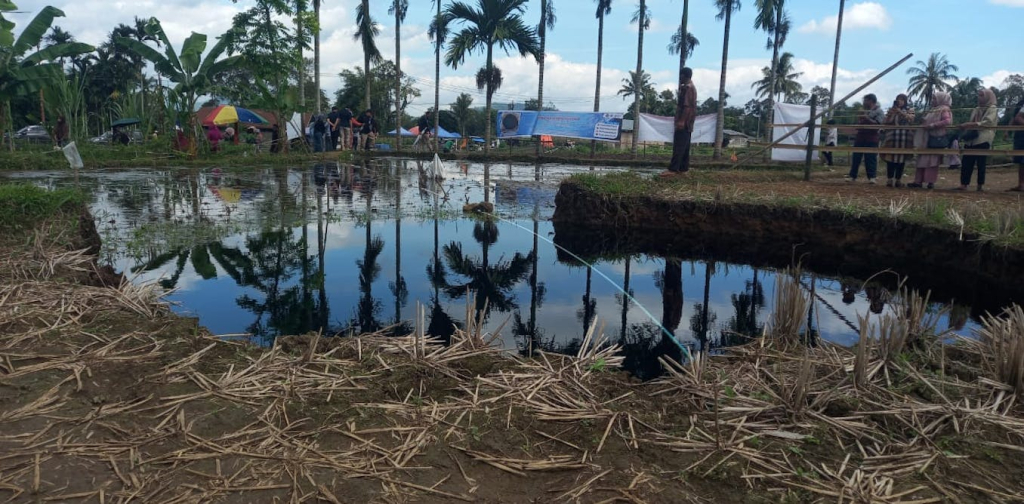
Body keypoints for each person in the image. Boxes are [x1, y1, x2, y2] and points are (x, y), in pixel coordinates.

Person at [957, 88, 998, 191]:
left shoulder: (993, 108)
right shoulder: (976, 108)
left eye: (981, 95)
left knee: (981, 163)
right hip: (971, 139)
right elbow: (973, 121)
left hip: (983, 139)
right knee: (966, 162)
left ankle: (980, 185)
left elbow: (988, 122)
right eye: (978, 95)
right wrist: (970, 125)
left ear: (987, 97)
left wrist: (970, 124)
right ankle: (963, 184)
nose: (979, 98)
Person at [908, 92, 952, 189]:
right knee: (921, 160)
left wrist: (932, 125)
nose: (933, 101)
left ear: (941, 99)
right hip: (926, 139)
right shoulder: (934, 110)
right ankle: (918, 181)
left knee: (932, 162)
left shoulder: (944, 109)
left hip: (934, 139)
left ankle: (930, 182)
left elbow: (947, 121)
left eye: (934, 99)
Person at [664, 67, 697, 176]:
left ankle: (673, 169)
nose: (679, 78)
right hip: (689, 123)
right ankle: (683, 169)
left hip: (684, 122)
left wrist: (681, 121)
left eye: (680, 76)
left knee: (679, 146)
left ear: (684, 75)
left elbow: (686, 107)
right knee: (685, 146)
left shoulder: (688, 88)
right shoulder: (691, 87)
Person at [846, 94, 885, 183]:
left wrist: (866, 118)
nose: (864, 102)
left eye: (865, 100)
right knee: (856, 157)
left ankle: (872, 177)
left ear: (871, 101)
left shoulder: (879, 111)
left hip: (872, 137)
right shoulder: (864, 111)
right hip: (860, 136)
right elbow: (859, 123)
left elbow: (878, 125)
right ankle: (852, 176)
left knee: (870, 157)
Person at [881, 94, 915, 187]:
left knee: (902, 159)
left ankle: (898, 180)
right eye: (898, 100)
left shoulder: (909, 110)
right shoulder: (891, 110)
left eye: (902, 100)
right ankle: (890, 179)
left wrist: (900, 112)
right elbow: (886, 121)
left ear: (905, 101)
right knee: (890, 158)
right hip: (892, 138)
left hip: (904, 138)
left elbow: (911, 119)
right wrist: (891, 113)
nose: (899, 101)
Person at [1008, 100, 1024, 192]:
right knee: (1022, 161)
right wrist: (1008, 130)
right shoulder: (1021, 103)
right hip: (1021, 135)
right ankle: (1021, 184)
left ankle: (1021, 184)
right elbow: (1017, 117)